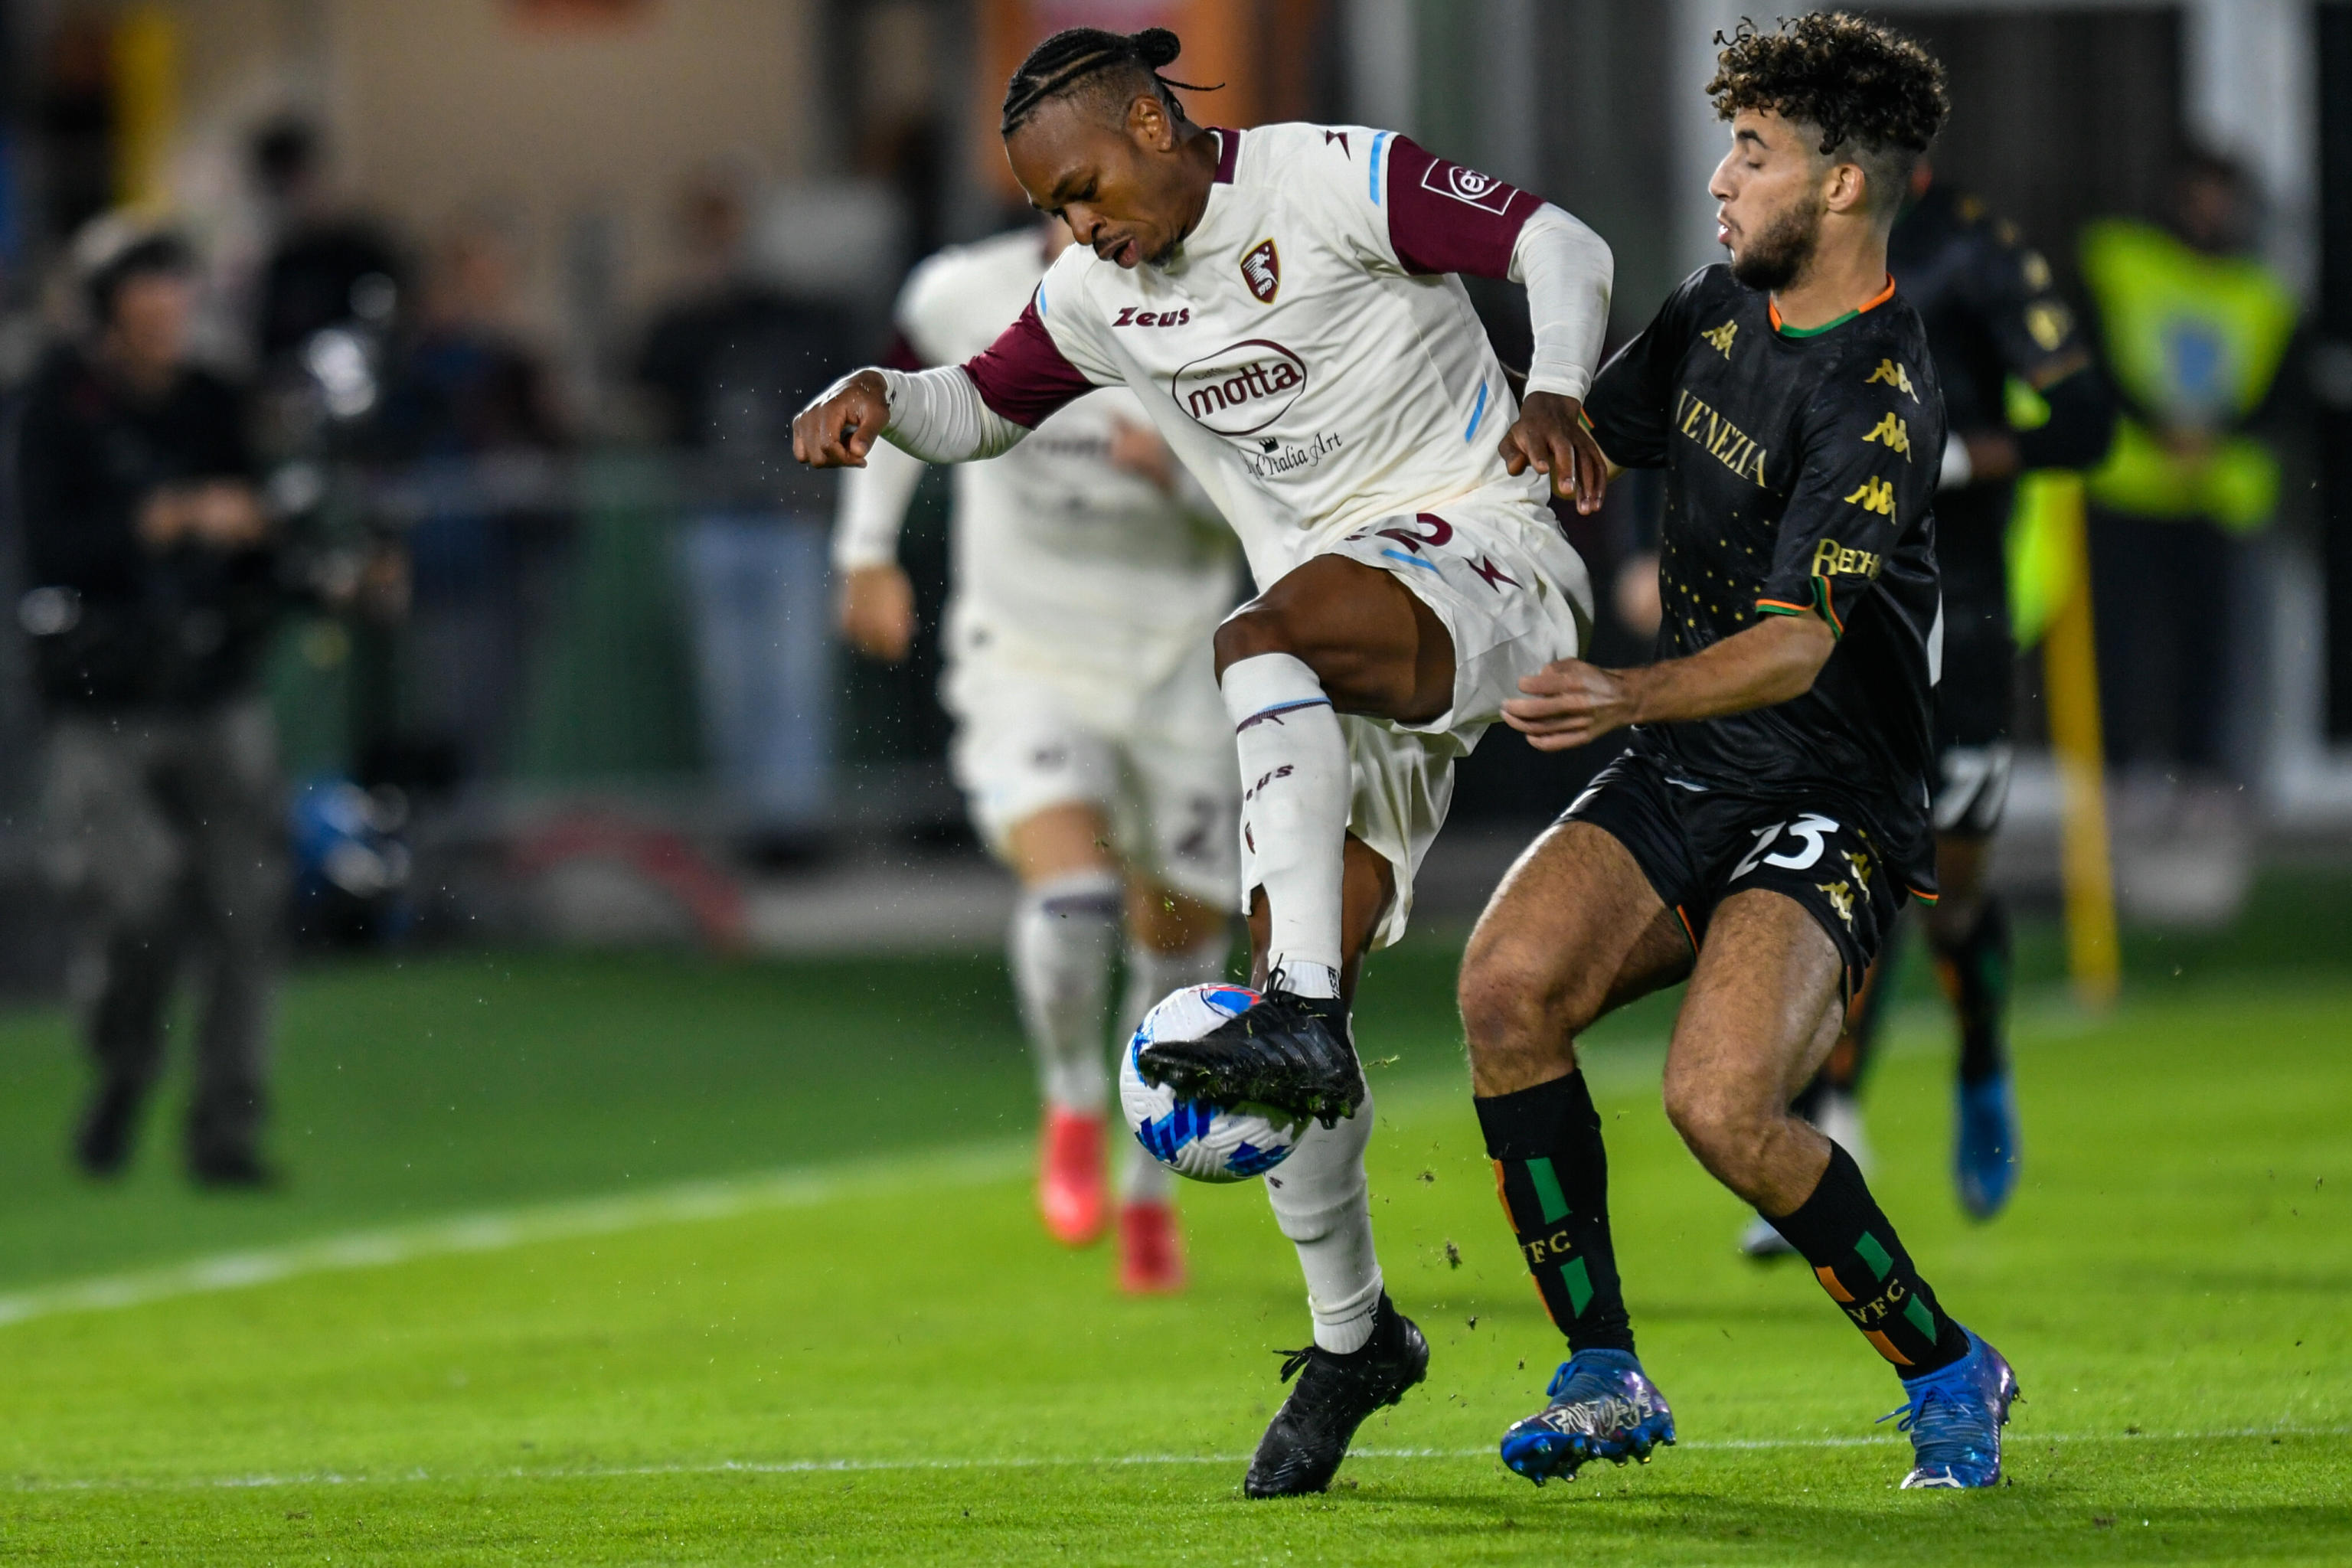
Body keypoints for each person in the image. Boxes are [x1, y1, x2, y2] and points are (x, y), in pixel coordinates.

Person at [795, 25, 1613, 1496]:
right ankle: (1354, 1331)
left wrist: (1554, 381)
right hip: (1337, 651)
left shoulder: (1328, 181)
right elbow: (978, 403)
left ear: (1157, 126)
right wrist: (882, 390)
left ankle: (1294, 1005)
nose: (1075, 222)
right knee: (1283, 978)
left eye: (1084, 184)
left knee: (1258, 637)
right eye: (1051, 206)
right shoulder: (1098, 292)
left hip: (1477, 545)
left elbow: (1559, 239)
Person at [1457, 15, 2019, 1491]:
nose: (1719, 178)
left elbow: (1792, 647)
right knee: (1505, 987)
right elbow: (1588, 437)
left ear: (1841, 186)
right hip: (1689, 765)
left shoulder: (1882, 395)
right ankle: (1601, 1370)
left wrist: (1624, 694)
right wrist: (1530, 417)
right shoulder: (1716, 306)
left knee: (1719, 1103)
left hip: (1825, 792)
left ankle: (1949, 1365)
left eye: (1752, 153)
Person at [832, 217, 1241, 1293]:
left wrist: (1185, 479)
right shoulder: (960, 293)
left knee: (1179, 939)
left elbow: (1280, 493)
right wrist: (866, 551)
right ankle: (1070, 1096)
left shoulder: (1223, 306)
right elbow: (889, 395)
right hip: (1027, 653)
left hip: (1178, 663)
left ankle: (1150, 1193)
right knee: (1073, 895)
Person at [1736, 164, 2118, 1256]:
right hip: (1839, 610)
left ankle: (1982, 1057)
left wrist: (1963, 454)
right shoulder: (1789, 253)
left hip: (1970, 613)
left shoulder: (1976, 250)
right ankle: (1828, 1119)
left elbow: (2090, 424)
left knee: (1945, 888)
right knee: (1841, 864)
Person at [15, 233, 286, 1185]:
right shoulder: (59, 404)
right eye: (147, 293)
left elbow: (266, 527)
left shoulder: (215, 400)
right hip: (106, 697)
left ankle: (227, 1128)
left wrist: (280, 540)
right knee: (133, 905)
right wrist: (165, 518)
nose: (167, 310)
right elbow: (52, 544)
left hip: (215, 688)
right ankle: (125, 1066)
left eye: (177, 291)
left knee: (245, 911)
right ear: (109, 308)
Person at [2079, 150, 2296, 782]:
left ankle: (2197, 776)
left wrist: (2214, 434)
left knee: (2211, 648)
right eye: (2197, 195)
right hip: (2131, 486)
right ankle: (2121, 773)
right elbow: (2089, 357)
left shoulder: (2262, 292)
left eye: (2221, 198)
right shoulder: (2122, 261)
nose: (2209, 213)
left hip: (2217, 495)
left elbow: (2280, 389)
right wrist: (2158, 424)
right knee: (2123, 640)